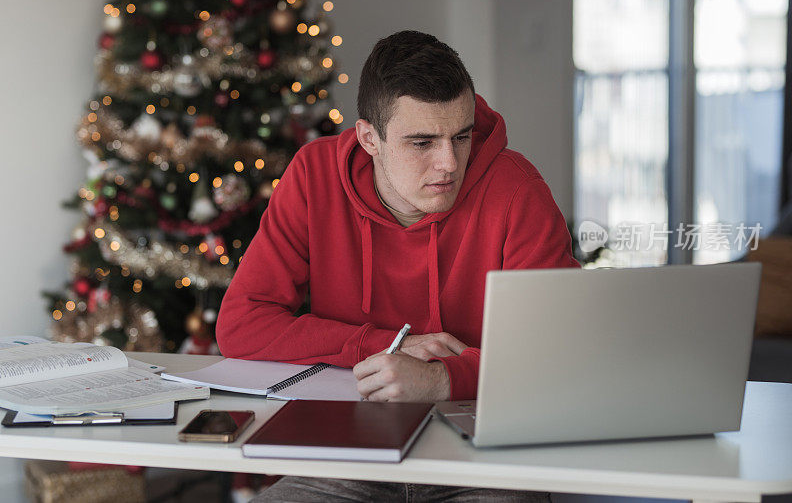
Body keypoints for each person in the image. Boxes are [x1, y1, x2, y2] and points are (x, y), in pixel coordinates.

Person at [216, 30, 579, 502]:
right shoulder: (314, 176)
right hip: (347, 453)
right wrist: (387, 345)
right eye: (422, 142)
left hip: (485, 461)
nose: (449, 163)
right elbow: (243, 323)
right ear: (370, 138)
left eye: (462, 136)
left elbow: (563, 351)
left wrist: (444, 378)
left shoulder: (517, 189)